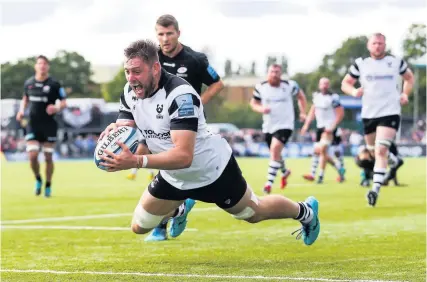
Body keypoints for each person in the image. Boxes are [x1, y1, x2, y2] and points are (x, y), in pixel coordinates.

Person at [98, 39, 320, 247]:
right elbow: (126, 127)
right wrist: (114, 134)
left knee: (253, 213)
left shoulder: (181, 95)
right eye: (128, 72)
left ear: (155, 68)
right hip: (174, 175)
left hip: (212, 170)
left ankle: (305, 212)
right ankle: (180, 209)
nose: (131, 78)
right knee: (139, 226)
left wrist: (136, 161)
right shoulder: (130, 91)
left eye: (137, 72)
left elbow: (184, 156)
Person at [126, 14, 224, 242]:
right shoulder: (151, 59)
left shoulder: (195, 59)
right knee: (159, 168)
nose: (165, 38)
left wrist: (198, 101)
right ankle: (174, 212)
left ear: (178, 33)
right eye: (160, 34)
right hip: (156, 124)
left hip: (186, 127)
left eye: (169, 33)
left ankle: (167, 220)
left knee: (175, 166)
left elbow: (218, 83)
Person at [341, 33, 413, 206]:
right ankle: (395, 161)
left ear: (385, 45)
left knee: (380, 150)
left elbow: (409, 78)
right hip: (369, 114)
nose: (378, 46)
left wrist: (405, 93)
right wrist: (353, 92)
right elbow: (346, 83)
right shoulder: (361, 64)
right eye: (374, 43)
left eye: (380, 43)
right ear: (369, 46)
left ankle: (374, 190)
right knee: (373, 152)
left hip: (390, 111)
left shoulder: (396, 62)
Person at [250, 64, 307, 194]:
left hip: (285, 125)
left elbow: (301, 97)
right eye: (272, 72)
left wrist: (303, 112)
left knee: (275, 149)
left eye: (277, 72)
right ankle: (285, 171)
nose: (274, 74)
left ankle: (268, 184)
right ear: (268, 73)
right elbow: (253, 103)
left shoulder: (289, 85)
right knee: (275, 154)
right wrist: (261, 109)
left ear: (281, 74)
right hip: (268, 126)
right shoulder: (261, 87)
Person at [16, 55, 67, 197]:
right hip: (33, 124)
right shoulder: (29, 83)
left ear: (48, 66)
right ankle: (38, 179)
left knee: (48, 157)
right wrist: (21, 111)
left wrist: (56, 108)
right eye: (39, 63)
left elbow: (64, 102)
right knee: (32, 156)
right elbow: (25, 99)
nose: (42, 66)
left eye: (44, 63)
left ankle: (48, 185)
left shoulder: (54, 84)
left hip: (49, 125)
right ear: (36, 66)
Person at [300, 77, 345, 184]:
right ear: (319, 85)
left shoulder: (333, 98)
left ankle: (321, 175)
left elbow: (340, 113)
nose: (324, 86)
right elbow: (312, 111)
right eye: (322, 84)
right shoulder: (316, 96)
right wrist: (306, 125)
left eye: (326, 84)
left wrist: (333, 126)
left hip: (330, 128)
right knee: (318, 152)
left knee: (329, 150)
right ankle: (337, 169)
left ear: (328, 85)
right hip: (320, 128)